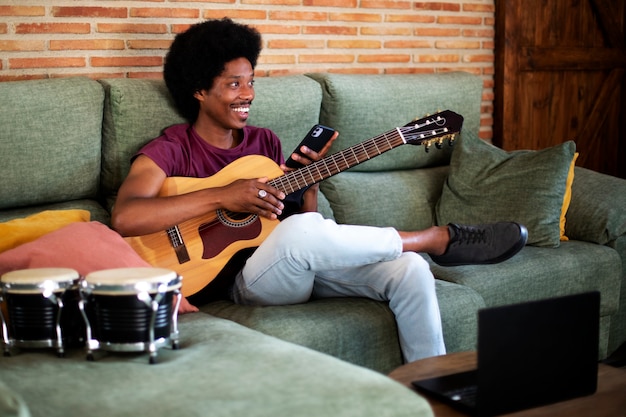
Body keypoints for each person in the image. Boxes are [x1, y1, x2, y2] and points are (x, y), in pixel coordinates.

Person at [111, 18, 528, 363]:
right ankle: (433, 239)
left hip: (297, 262)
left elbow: (294, 223)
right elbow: (126, 217)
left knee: (410, 271)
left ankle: (430, 388)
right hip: (244, 282)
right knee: (307, 238)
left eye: (251, 82)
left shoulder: (264, 143)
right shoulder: (170, 148)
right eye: (234, 84)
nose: (248, 94)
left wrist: (308, 184)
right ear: (200, 91)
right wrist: (223, 195)